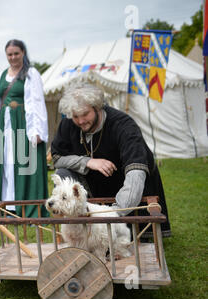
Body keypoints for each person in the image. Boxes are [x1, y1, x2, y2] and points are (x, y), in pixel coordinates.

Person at [50, 83, 171, 238]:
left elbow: (136, 174)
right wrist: (87, 162)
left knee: (127, 239)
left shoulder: (124, 126)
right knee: (63, 173)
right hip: (94, 185)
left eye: (85, 114)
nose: (80, 121)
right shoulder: (69, 122)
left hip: (126, 186)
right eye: (75, 116)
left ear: (98, 107)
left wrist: (112, 214)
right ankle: (78, 229)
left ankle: (125, 227)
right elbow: (57, 159)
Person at [0, 39, 49, 218]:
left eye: (16, 53)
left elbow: (37, 103)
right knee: (7, 163)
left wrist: (37, 131)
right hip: (3, 125)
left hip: (22, 123)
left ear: (23, 53)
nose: (13, 57)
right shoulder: (0, 76)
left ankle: (27, 205)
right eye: (9, 54)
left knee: (24, 163)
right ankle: (8, 204)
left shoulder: (31, 73)